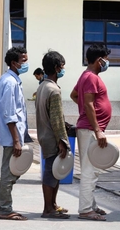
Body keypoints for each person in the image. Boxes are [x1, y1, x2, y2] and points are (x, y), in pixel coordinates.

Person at [70, 44, 111, 221]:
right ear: (99, 60)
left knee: (92, 167)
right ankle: (86, 209)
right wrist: (97, 129)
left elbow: (74, 95)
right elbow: (87, 103)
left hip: (89, 127)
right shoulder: (90, 77)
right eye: (106, 59)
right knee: (90, 169)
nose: (107, 62)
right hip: (90, 129)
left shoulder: (86, 77)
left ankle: (91, 205)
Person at [0, 46, 29, 221]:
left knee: (12, 170)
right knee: (10, 172)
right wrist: (16, 139)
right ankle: (5, 208)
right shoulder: (10, 82)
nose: (26, 64)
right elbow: (10, 114)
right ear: (14, 63)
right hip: (12, 136)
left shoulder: (7, 79)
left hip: (11, 133)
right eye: (24, 61)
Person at [35, 51, 70, 219]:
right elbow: (56, 120)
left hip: (44, 135)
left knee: (53, 172)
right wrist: (62, 141)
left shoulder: (42, 86)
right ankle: (48, 208)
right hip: (52, 138)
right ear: (56, 68)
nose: (63, 69)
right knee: (51, 172)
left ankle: (52, 205)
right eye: (62, 66)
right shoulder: (53, 90)